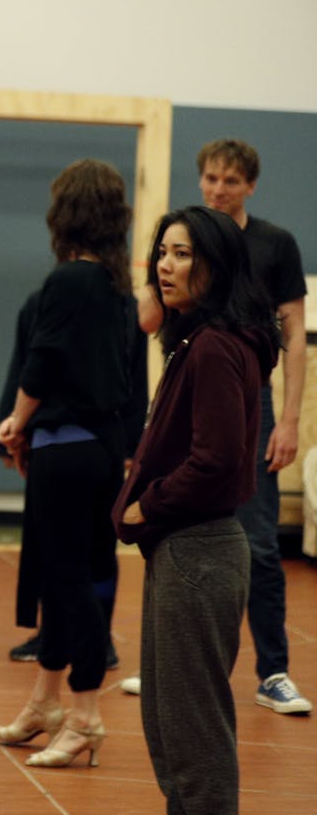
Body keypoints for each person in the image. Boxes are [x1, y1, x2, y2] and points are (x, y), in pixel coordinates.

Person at [108, 205, 280, 815]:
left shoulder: (214, 346)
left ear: (213, 265)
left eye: (181, 254)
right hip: (181, 550)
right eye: (161, 253)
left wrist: (148, 504)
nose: (165, 266)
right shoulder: (204, 340)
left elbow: (215, 462)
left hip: (201, 549)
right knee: (167, 714)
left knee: (197, 717)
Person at [126, 139, 311, 714]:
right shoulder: (185, 240)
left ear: (249, 185)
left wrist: (289, 420)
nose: (217, 188)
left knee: (256, 541)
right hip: (188, 393)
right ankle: (176, 653)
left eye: (230, 180)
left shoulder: (273, 245)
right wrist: (163, 265)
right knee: (181, 535)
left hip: (246, 403)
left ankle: (273, 669)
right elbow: (149, 318)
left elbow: (294, 337)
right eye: (210, 178)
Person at [0, 160, 137, 769]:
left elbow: (41, 363)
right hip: (99, 452)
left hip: (64, 450)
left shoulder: (67, 282)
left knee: (67, 579)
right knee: (83, 573)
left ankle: (85, 715)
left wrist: (16, 422)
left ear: (65, 213)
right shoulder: (114, 287)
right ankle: (45, 703)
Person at [0, 278, 147, 670]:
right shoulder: (43, 298)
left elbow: (135, 380)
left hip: (89, 445)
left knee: (89, 550)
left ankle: (95, 641)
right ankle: (55, 636)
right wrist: (13, 430)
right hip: (53, 439)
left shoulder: (126, 305)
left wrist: (132, 447)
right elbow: (26, 367)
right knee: (59, 549)